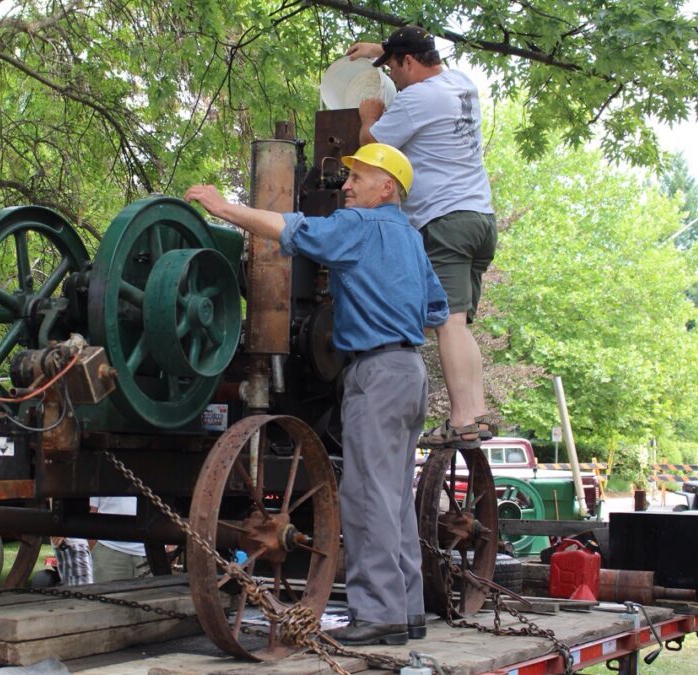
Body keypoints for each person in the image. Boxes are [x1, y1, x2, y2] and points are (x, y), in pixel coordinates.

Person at [185, 143, 447, 646]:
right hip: (410, 371)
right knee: (393, 496)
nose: (346, 186)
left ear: (386, 187)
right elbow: (436, 309)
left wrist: (225, 209)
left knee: (366, 496)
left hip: (374, 370)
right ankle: (408, 611)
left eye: (358, 177)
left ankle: (378, 616)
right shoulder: (412, 240)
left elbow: (294, 230)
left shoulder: (359, 227)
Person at [348, 26, 498, 449]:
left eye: (393, 67)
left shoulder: (415, 99)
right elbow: (419, 63)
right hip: (479, 219)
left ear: (408, 63)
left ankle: (461, 419)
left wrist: (368, 116)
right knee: (459, 324)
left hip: (444, 220)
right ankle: (477, 413)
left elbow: (371, 151)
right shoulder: (460, 83)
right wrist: (382, 50)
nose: (393, 77)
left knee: (447, 324)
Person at [89, 496, 148, 582]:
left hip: (153, 550)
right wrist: (93, 544)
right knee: (107, 594)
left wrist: (170, 546)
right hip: (108, 548)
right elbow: (92, 510)